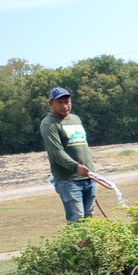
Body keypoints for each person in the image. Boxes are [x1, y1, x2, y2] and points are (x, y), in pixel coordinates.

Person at [41, 86, 98, 222]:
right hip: (68, 179)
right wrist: (76, 166)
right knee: (77, 218)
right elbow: (57, 152)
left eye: (67, 102)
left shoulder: (76, 119)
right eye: (60, 102)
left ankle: (88, 244)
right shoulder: (49, 124)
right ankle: (75, 244)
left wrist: (90, 169)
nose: (65, 106)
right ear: (51, 103)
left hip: (88, 176)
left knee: (89, 217)